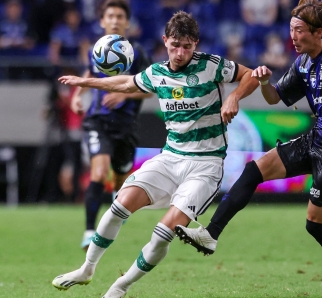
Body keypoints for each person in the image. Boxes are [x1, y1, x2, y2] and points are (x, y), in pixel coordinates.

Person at [174, 1, 322, 297]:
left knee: (315, 224)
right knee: (253, 170)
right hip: (316, 140)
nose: (293, 37)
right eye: (291, 30)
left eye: (299, 31)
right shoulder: (303, 64)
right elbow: (274, 98)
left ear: (318, 32)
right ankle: (210, 234)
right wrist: (263, 82)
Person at [52, 10, 259, 298]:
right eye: (175, 45)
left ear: (196, 44)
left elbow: (250, 74)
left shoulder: (212, 66)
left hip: (206, 165)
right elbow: (126, 82)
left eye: (187, 46)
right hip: (170, 157)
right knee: (119, 204)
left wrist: (234, 96)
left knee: (164, 232)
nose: (180, 52)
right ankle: (87, 269)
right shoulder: (157, 73)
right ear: (165, 41)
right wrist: (86, 83)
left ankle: (120, 287)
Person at [70, 0, 152, 251]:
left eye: (119, 16)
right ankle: (88, 231)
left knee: (120, 181)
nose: (115, 20)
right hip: (98, 120)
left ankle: (118, 202)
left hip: (126, 125)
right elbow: (88, 72)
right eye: (110, 16)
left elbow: (150, 89)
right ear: (102, 21)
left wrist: (124, 95)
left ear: (127, 22)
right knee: (98, 172)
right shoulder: (96, 49)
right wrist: (78, 93)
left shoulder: (137, 52)